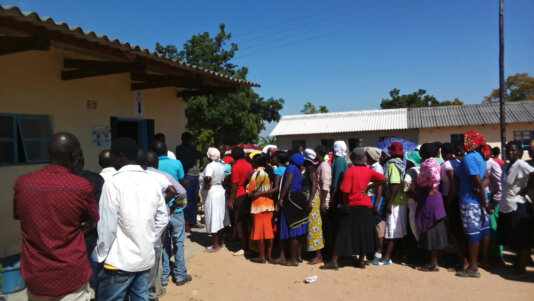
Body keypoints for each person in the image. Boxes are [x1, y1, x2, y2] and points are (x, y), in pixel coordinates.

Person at [14, 132, 98, 301]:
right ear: (74, 156)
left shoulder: (22, 183)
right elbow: (93, 217)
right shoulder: (82, 186)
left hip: (36, 276)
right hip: (71, 277)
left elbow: (21, 216)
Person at [93, 137, 168, 300]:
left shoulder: (113, 183)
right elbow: (163, 218)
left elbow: (107, 226)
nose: (110, 160)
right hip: (144, 258)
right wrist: (148, 239)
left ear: (121, 156)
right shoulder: (152, 181)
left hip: (119, 261)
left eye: (112, 156)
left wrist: (100, 254)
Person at [321, 148, 386, 270]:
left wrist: (346, 205)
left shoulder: (350, 172)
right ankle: (361, 260)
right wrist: (371, 186)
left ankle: (334, 261)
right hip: (366, 207)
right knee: (363, 234)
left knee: (342, 234)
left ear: (352, 159)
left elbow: (345, 192)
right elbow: (384, 179)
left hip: (352, 206)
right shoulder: (368, 171)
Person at [151, 140, 192, 286]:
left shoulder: (147, 171)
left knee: (163, 244)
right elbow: (181, 186)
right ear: (166, 150)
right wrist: (176, 206)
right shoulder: (176, 164)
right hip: (175, 210)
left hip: (158, 212)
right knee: (179, 242)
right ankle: (180, 275)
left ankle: (164, 276)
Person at [454, 131, 493, 278]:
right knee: (482, 231)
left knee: (472, 234)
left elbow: (476, 181)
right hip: (479, 200)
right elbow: (486, 178)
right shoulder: (480, 157)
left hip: (470, 201)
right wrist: (482, 192)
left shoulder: (469, 158)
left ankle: (473, 267)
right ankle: (481, 261)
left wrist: (483, 199)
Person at [497, 141, 534, 279]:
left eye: (513, 150)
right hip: (507, 207)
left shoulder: (521, 164)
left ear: (519, 152)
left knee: (522, 240)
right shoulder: (507, 166)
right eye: (508, 150)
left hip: (518, 206)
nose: (510, 153)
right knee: (515, 239)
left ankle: (522, 269)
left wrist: (527, 188)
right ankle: (518, 263)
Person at [72, 150, 105, 298]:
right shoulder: (93, 179)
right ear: (81, 160)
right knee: (93, 268)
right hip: (89, 235)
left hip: (63, 239)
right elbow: (99, 210)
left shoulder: (44, 181)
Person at [415, 143, 448, 272]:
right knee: (435, 230)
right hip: (431, 199)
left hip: (430, 200)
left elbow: (435, 177)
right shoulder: (433, 161)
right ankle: (439, 259)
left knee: (432, 230)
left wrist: (431, 186)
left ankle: (433, 263)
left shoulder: (429, 163)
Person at [272, 153, 309, 266]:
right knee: (298, 230)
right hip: (299, 198)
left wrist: (281, 198)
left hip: (291, 199)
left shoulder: (291, 168)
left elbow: (288, 182)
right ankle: (296, 256)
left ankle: (293, 259)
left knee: (293, 229)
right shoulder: (298, 170)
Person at [375, 141, 407, 266]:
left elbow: (395, 184)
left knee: (393, 230)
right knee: (399, 230)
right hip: (400, 200)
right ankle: (402, 253)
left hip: (394, 202)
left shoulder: (392, 165)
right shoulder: (401, 163)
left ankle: (387, 256)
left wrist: (389, 202)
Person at [440, 142, 465, 271]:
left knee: (453, 232)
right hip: (458, 198)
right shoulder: (457, 162)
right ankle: (460, 258)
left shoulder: (447, 165)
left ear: (443, 153)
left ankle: (462, 261)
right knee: (458, 231)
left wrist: (448, 202)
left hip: (450, 198)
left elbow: (453, 185)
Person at [247, 154, 276, 263]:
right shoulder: (270, 173)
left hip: (258, 205)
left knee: (260, 233)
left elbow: (250, 192)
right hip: (269, 204)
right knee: (269, 232)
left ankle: (262, 257)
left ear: (256, 163)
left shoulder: (255, 174)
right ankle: (269, 255)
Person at [324, 141, 349, 260]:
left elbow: (336, 183)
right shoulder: (342, 160)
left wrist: (332, 200)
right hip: (339, 195)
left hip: (337, 196)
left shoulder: (339, 161)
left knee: (334, 226)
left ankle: (333, 254)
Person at [175, 132, 204, 231]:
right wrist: (196, 156)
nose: (190, 141)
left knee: (195, 200)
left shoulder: (192, 148)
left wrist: (200, 158)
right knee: (187, 200)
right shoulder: (179, 149)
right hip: (187, 176)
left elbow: (200, 155)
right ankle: (186, 222)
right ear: (183, 140)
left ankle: (193, 221)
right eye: (188, 139)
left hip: (195, 176)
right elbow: (186, 160)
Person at [227, 146, 253, 255]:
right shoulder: (249, 165)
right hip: (248, 194)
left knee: (239, 221)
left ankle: (244, 247)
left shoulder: (235, 167)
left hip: (239, 195)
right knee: (247, 220)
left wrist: (231, 200)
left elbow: (235, 184)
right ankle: (247, 244)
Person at [202, 147, 229, 252]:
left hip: (212, 192)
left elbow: (208, 177)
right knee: (220, 216)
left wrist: (206, 185)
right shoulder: (220, 165)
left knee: (213, 217)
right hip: (220, 191)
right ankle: (221, 241)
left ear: (208, 156)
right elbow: (223, 179)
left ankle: (215, 245)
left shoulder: (210, 166)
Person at [302, 149, 324, 263]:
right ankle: (313, 252)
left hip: (312, 199)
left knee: (314, 227)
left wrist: (310, 201)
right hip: (310, 198)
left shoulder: (310, 168)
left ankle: (318, 255)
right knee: (310, 226)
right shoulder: (308, 168)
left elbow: (314, 184)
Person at [366, 147, 386, 260]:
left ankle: (378, 253)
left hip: (375, 199)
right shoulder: (373, 167)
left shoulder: (377, 168)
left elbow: (379, 186)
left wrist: (376, 204)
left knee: (379, 226)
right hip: (372, 199)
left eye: (367, 156)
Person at [485, 147, 503, 266]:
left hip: (492, 198)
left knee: (494, 227)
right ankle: (489, 254)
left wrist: (494, 202)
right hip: (485, 197)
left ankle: (497, 256)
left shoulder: (492, 164)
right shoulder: (483, 163)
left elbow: (500, 184)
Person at [313, 145, 331, 264]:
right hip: (321, 200)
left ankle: (323, 255)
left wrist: (323, 202)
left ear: (318, 153)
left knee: (323, 228)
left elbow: (325, 186)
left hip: (323, 200)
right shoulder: (320, 165)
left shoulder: (324, 167)